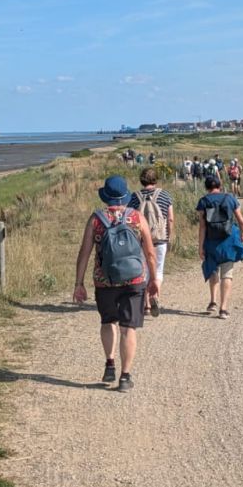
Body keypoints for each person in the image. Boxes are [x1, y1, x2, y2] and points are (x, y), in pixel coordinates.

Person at [73, 175, 158, 391]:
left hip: (105, 280)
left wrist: (79, 283)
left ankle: (110, 363)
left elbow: (84, 253)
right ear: (125, 196)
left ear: (106, 197)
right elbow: (149, 252)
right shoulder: (137, 217)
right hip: (135, 279)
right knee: (128, 328)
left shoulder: (96, 219)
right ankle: (125, 376)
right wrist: (153, 279)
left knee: (108, 321)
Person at [196, 172, 243, 318]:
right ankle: (223, 309)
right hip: (228, 241)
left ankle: (213, 301)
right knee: (227, 274)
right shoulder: (230, 198)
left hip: (211, 242)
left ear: (206, 187)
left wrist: (200, 246)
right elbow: (241, 221)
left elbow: (202, 227)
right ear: (219, 185)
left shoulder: (203, 201)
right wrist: (242, 235)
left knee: (213, 271)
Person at [129, 166, 174, 316]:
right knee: (158, 271)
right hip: (160, 238)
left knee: (144, 271)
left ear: (141, 180)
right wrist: (169, 236)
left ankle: (146, 305)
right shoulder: (165, 195)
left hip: (140, 240)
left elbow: (130, 219)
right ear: (156, 179)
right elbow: (171, 218)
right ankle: (154, 296)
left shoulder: (134, 197)